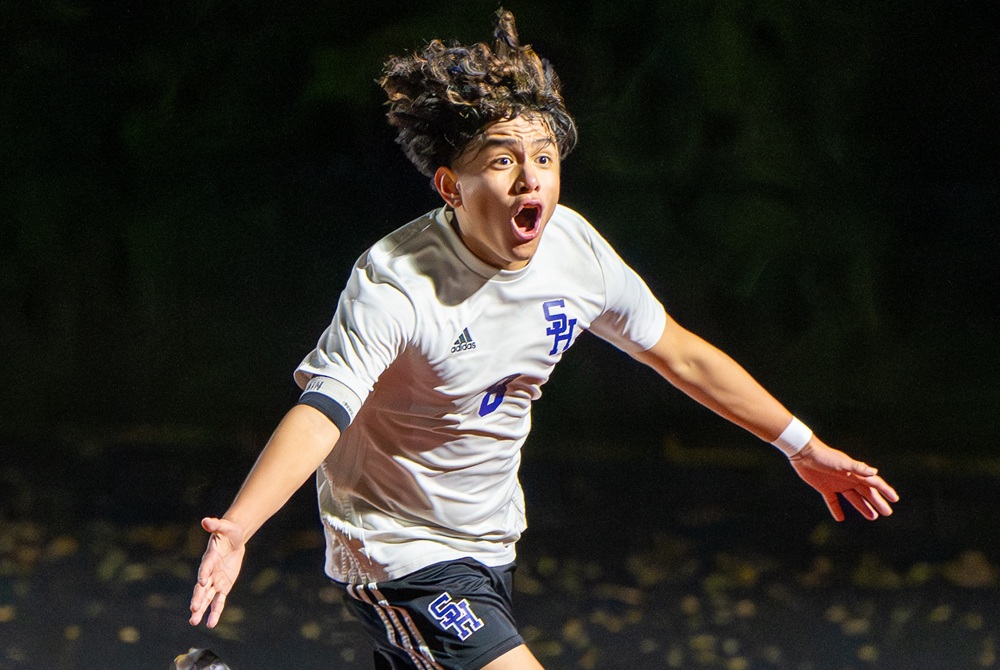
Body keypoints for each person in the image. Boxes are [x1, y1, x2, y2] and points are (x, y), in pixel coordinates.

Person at [188, 9, 899, 670]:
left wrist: (804, 448)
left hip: (489, 540)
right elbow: (323, 410)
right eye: (501, 161)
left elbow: (676, 351)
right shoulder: (396, 282)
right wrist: (239, 527)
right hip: (397, 551)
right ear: (450, 186)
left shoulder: (574, 251)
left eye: (545, 159)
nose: (531, 178)